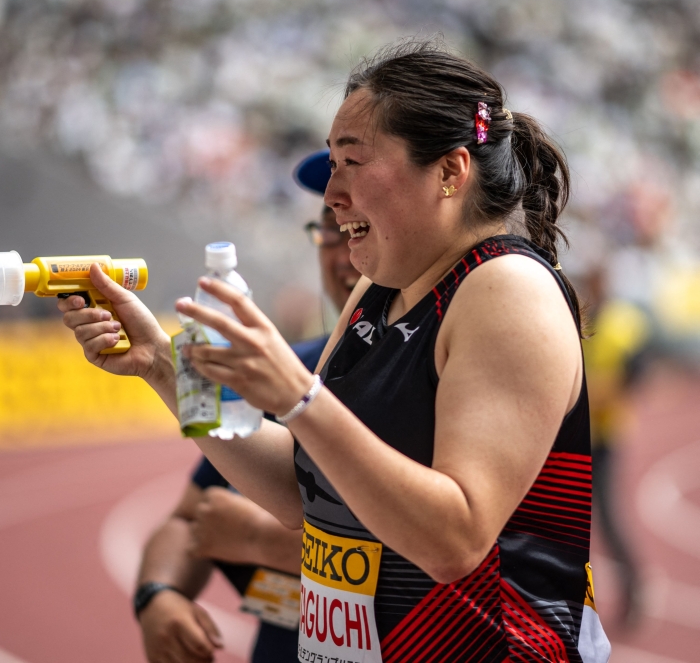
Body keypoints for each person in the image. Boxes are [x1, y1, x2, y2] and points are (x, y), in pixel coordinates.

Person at [61, 39, 610, 662]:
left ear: (451, 172)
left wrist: (299, 398)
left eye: (352, 163)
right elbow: (301, 491)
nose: (331, 195)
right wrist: (163, 364)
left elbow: (456, 539)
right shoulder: (380, 289)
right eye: (331, 164)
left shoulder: (508, 289)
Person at [134, 150, 359, 663]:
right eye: (330, 228)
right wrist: (158, 596)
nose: (344, 253)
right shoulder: (286, 364)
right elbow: (193, 517)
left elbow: (445, 553)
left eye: (358, 227)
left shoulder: (440, 368)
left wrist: (262, 540)